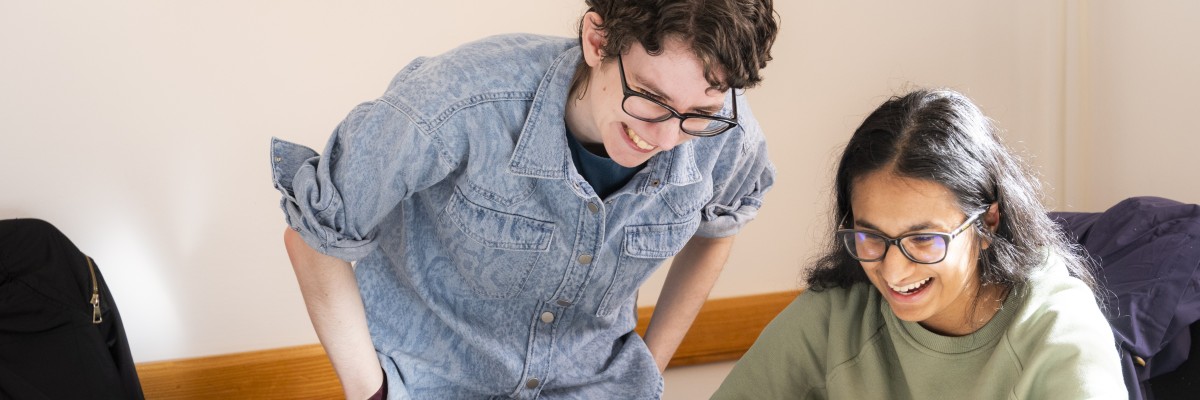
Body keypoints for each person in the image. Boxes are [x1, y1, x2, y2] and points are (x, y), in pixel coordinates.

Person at [270, 1, 779, 398]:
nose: (667, 140)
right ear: (597, 40)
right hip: (427, 385)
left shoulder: (726, 130)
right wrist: (372, 392)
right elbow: (314, 235)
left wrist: (651, 364)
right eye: (649, 99)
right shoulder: (455, 101)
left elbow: (722, 225)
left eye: (699, 113)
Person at [712, 89, 1126, 399]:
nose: (893, 271)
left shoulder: (1057, 327)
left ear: (988, 224)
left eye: (923, 238)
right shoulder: (836, 314)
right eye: (870, 236)